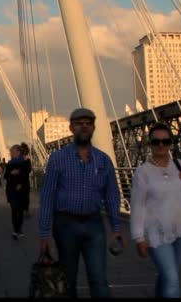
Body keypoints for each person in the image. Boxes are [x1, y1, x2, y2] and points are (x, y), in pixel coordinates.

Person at [38, 107, 123, 298]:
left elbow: (112, 195)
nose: (84, 127)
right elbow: (47, 196)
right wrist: (44, 234)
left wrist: (116, 228)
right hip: (65, 225)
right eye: (79, 123)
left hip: (94, 225)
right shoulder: (58, 158)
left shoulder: (103, 160)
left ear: (93, 128)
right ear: (71, 128)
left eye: (88, 123)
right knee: (68, 279)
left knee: (99, 280)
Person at [130, 123, 181, 298]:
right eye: (156, 141)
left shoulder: (179, 164)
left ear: (170, 143)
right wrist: (139, 238)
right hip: (156, 234)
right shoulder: (143, 172)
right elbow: (138, 206)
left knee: (167, 276)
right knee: (172, 279)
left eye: (166, 141)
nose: (161, 145)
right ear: (149, 144)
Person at [4, 144, 31, 239]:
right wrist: (11, 173)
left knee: (20, 210)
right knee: (14, 210)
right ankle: (15, 230)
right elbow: (6, 176)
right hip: (12, 190)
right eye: (11, 152)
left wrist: (19, 173)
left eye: (12, 152)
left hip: (22, 190)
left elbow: (27, 172)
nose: (11, 154)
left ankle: (19, 228)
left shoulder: (25, 162)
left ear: (18, 152)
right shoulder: (10, 163)